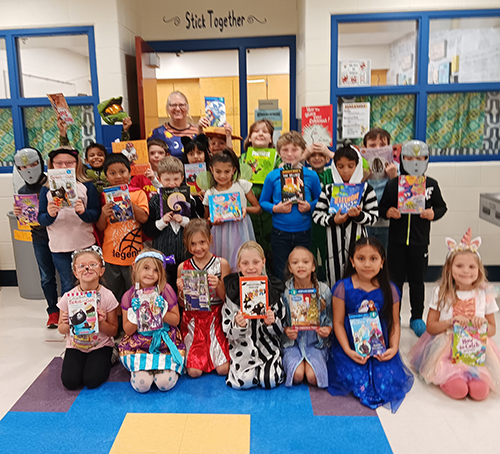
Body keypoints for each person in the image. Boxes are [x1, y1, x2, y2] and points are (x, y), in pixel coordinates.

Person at [408, 229, 500, 401]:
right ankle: (451, 377)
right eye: (459, 266)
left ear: (479, 269)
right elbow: (431, 327)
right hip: (446, 348)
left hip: (475, 348)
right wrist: (449, 322)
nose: (466, 271)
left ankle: (474, 375)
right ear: (449, 268)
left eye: (472, 266)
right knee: (459, 390)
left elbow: (493, 329)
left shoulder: (484, 294)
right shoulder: (441, 292)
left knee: (480, 392)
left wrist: (482, 324)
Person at [327, 237, 414, 412]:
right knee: (356, 379)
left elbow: (395, 324)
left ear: (382, 262)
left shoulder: (390, 290)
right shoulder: (341, 288)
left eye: (373, 259)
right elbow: (337, 323)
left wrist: (394, 348)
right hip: (351, 345)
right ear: (352, 261)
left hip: (379, 346)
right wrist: (348, 351)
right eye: (361, 259)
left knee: (386, 379)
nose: (367, 264)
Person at [379, 140, 447, 337]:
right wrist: (389, 212)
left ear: (426, 159)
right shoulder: (394, 184)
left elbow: (442, 207)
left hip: (420, 242)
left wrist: (433, 213)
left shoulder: (431, 185)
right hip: (396, 242)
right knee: (394, 281)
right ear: (401, 159)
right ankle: (394, 315)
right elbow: (382, 208)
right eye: (409, 157)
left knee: (418, 281)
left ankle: (417, 316)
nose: (415, 162)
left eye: (420, 158)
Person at [38, 148, 101, 300]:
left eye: (69, 162)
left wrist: (83, 212)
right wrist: (50, 215)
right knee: (67, 285)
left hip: (84, 245)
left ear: (77, 164)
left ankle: (92, 319)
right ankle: (72, 321)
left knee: (89, 283)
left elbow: (95, 215)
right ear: (52, 165)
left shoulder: (87, 186)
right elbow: (41, 219)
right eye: (59, 163)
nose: (64, 166)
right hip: (60, 247)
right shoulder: (46, 189)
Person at [119, 249, 185, 393]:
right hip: (139, 343)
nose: (150, 274)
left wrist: (161, 312)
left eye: (156, 270)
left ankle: (160, 368)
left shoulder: (165, 290)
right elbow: (127, 330)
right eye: (146, 268)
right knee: (142, 385)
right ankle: (146, 369)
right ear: (135, 267)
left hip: (164, 341)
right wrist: (137, 314)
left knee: (164, 384)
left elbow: (175, 320)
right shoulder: (128, 296)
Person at [312, 145, 378, 287]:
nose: (345, 171)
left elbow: (373, 217)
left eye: (350, 166)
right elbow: (317, 215)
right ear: (334, 167)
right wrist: (333, 220)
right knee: (336, 284)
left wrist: (359, 215)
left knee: (358, 281)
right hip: (333, 248)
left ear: (357, 166)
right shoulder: (329, 190)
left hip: (358, 245)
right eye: (340, 166)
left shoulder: (366, 190)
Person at [222, 241, 286, 389]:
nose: (251, 267)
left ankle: (266, 368)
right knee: (243, 382)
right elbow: (228, 330)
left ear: (263, 263)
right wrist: (238, 324)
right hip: (243, 346)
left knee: (269, 380)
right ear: (239, 265)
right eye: (245, 263)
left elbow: (282, 327)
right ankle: (250, 371)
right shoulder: (233, 291)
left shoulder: (273, 289)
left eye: (256, 262)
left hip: (267, 346)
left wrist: (272, 322)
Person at [260, 131, 322, 280]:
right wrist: (275, 208)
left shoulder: (311, 175)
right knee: (282, 270)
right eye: (285, 150)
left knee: (303, 269)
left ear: (302, 152)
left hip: (304, 232)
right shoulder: (272, 176)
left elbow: (321, 200)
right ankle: (283, 301)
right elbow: (263, 202)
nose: (289, 154)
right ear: (279, 152)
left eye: (294, 150)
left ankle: (302, 299)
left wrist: (309, 206)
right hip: (280, 233)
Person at [57, 246, 119, 390]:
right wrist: (67, 323)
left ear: (102, 270)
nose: (87, 269)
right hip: (76, 346)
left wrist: (101, 322)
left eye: (92, 265)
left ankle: (112, 354)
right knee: (70, 382)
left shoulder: (108, 296)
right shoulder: (68, 297)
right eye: (82, 266)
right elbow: (61, 329)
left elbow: (114, 331)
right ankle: (75, 359)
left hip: (100, 345)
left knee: (92, 380)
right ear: (75, 273)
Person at [176, 219, 231, 378]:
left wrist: (219, 285)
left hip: (216, 317)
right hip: (194, 319)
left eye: (202, 242)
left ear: (210, 240)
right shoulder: (183, 267)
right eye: (193, 244)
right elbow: (182, 304)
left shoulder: (222, 264)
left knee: (223, 370)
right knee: (194, 372)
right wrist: (181, 291)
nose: (198, 248)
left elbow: (227, 299)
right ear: (186, 244)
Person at [13, 147, 59, 328]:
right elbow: (28, 219)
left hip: (62, 234)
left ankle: (71, 309)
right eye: (23, 167)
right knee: (46, 276)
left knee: (68, 275)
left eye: (33, 164)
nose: (29, 170)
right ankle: (53, 311)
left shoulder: (53, 184)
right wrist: (20, 214)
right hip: (40, 237)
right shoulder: (23, 190)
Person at [96, 153, 149, 303]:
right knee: (113, 294)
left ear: (130, 172)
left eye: (122, 171)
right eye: (112, 173)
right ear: (106, 176)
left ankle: (133, 322)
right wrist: (103, 213)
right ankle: (117, 324)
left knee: (135, 293)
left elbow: (144, 218)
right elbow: (100, 227)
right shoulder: (104, 196)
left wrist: (129, 203)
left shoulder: (138, 193)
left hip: (134, 256)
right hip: (110, 255)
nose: (118, 176)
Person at [143, 156, 198, 292]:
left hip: (186, 255)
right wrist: (162, 222)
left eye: (176, 179)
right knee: (165, 288)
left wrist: (184, 220)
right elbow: (148, 229)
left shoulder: (189, 200)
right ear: (160, 179)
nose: (172, 183)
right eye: (167, 179)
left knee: (187, 288)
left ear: (182, 178)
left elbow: (198, 226)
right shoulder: (155, 201)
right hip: (162, 257)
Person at [203, 148, 261, 271]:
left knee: (242, 260)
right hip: (220, 233)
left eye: (227, 171)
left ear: (233, 170)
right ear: (211, 170)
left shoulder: (242, 185)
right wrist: (213, 221)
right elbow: (207, 220)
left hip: (240, 229)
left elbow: (257, 208)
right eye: (218, 171)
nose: (222, 175)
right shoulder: (210, 193)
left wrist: (245, 210)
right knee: (222, 264)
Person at [282, 247, 332, 387]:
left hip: (316, 343)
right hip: (293, 343)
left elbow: (331, 318)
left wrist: (328, 329)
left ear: (313, 266)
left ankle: (311, 363)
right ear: (290, 268)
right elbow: (282, 321)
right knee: (297, 376)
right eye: (295, 262)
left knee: (312, 378)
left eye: (305, 262)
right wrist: (286, 330)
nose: (300, 265)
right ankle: (297, 362)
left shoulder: (324, 291)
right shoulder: (286, 293)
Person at [241, 120, 277, 271]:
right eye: (256, 131)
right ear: (249, 138)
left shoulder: (279, 160)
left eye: (265, 131)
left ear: (271, 139)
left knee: (272, 253)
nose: (260, 134)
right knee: (250, 253)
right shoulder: (242, 159)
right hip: (248, 214)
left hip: (272, 214)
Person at [363, 128, 398, 251]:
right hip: (365, 220)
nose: (377, 149)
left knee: (385, 256)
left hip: (387, 223)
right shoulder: (360, 168)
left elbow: (403, 195)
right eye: (372, 145)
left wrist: (394, 177)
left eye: (382, 145)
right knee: (365, 253)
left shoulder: (396, 167)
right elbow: (351, 193)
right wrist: (362, 178)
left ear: (389, 147)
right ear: (365, 147)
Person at [148, 91, 199, 159]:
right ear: (167, 108)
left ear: (187, 107)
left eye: (181, 105)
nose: (177, 109)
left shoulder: (198, 132)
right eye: (173, 105)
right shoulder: (157, 133)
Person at [180, 134, 211, 218]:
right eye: (191, 154)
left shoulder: (213, 173)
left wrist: (209, 197)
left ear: (205, 154)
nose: (196, 157)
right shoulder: (181, 176)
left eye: (199, 153)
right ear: (186, 156)